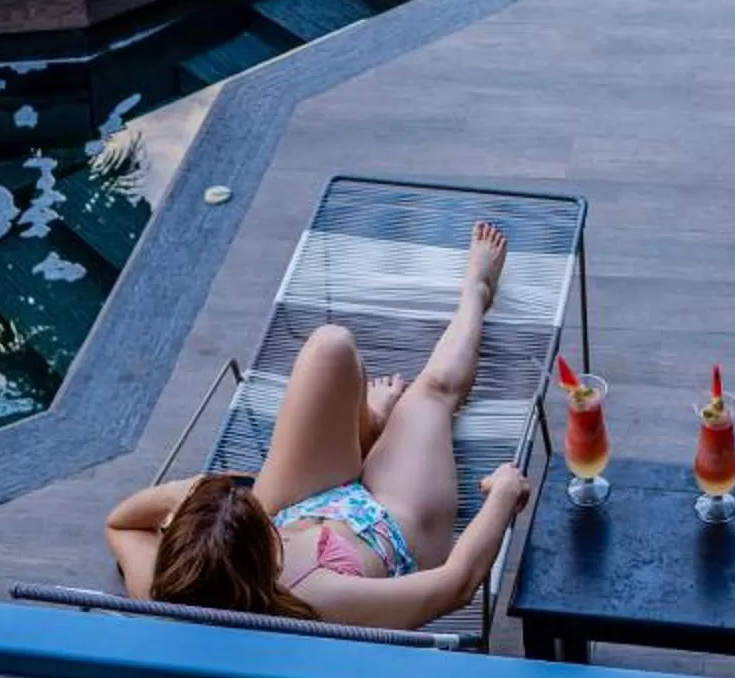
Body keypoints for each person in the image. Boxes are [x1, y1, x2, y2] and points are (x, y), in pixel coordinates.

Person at [105, 220, 530, 630]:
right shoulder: (318, 601)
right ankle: (476, 293)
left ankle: (368, 426)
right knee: (433, 391)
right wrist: (504, 494)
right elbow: (455, 585)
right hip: (393, 526)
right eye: (263, 526)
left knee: (331, 347)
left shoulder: (164, 591)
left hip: (307, 509)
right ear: (268, 555)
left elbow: (119, 522)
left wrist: (197, 501)